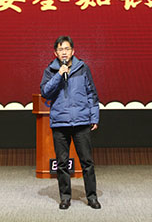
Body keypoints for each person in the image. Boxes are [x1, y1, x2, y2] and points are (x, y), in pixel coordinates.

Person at [40, 35, 101, 210]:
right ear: (55, 53)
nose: (64, 52)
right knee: (62, 163)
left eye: (67, 49)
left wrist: (94, 117)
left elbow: (92, 93)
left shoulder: (83, 68)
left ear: (73, 51)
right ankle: (65, 198)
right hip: (60, 123)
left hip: (81, 122)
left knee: (87, 162)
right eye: (60, 49)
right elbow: (45, 92)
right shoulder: (50, 70)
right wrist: (59, 74)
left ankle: (92, 197)